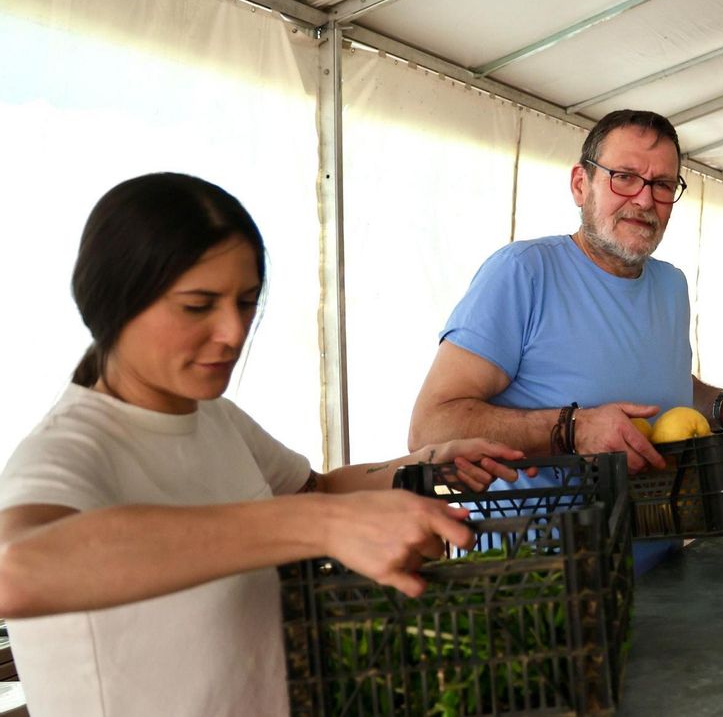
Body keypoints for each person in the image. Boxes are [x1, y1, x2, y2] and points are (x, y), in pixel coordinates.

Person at [0, 173, 531, 717]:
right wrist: (319, 526)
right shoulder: (68, 450)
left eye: (247, 301)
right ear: (113, 301)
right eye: (198, 305)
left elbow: (317, 489)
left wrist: (424, 464)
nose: (233, 332)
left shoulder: (215, 417)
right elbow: (15, 571)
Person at [410, 110, 723, 568]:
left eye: (662, 184)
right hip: (537, 579)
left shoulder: (671, 285)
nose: (644, 199)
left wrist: (718, 402)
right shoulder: (523, 272)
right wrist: (573, 428)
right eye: (624, 177)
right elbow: (431, 425)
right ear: (580, 185)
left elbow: (656, 381)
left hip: (660, 567)